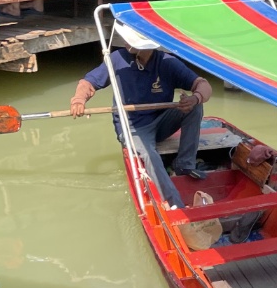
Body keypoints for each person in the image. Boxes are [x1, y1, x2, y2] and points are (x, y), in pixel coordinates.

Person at [71, 44, 213, 208]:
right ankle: (174, 204)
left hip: (160, 121)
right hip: (132, 126)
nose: (128, 44)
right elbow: (88, 83)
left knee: (196, 107)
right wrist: (79, 100)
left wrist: (195, 98)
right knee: (149, 154)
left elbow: (203, 84)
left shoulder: (167, 62)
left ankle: (184, 164)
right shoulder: (117, 59)